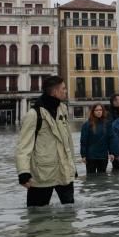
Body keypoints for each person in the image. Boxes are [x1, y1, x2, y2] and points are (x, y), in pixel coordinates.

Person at [15, 76, 77, 207]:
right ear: (55, 92)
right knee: (36, 217)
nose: (66, 91)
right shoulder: (33, 114)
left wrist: (73, 167)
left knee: (69, 215)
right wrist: (23, 173)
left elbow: (68, 140)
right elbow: (23, 147)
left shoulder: (63, 110)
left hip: (65, 173)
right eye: (64, 88)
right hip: (42, 175)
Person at [80, 104, 111, 175]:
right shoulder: (86, 125)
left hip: (103, 156)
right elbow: (83, 141)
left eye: (100, 110)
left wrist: (112, 152)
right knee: (91, 177)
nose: (99, 112)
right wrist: (83, 155)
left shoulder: (107, 124)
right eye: (97, 110)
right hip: (91, 157)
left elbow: (110, 139)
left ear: (103, 111)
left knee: (103, 178)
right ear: (93, 112)